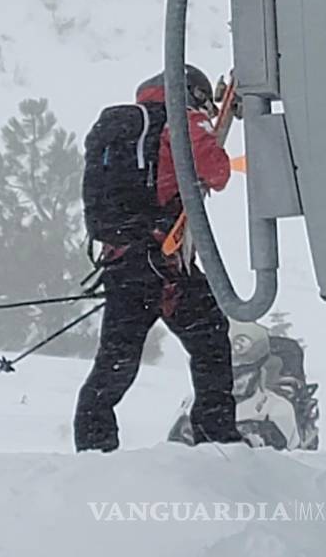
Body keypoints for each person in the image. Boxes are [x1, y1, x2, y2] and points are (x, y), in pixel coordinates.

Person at [74, 66, 242, 452]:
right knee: (211, 340)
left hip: (123, 261)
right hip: (162, 262)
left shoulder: (125, 130)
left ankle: (94, 447)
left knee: (117, 360)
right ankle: (217, 436)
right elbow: (215, 171)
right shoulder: (180, 120)